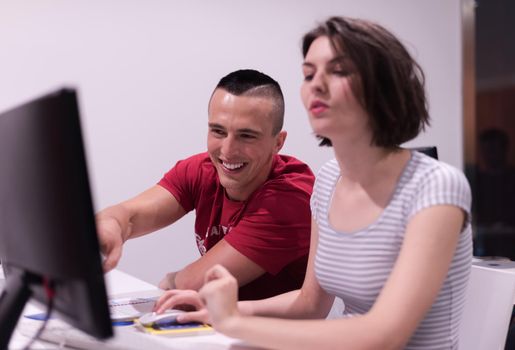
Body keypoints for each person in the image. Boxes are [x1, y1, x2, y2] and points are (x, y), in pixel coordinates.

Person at [154, 17, 473, 349]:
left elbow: (385, 335)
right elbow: (310, 304)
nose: (316, 84)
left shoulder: (436, 186)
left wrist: (234, 322)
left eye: (338, 71)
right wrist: (218, 310)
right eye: (309, 74)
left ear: (384, 87)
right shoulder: (329, 179)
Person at [96, 69, 315, 300]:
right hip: (215, 327)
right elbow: (127, 217)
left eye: (246, 136)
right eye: (218, 131)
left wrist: (174, 279)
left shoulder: (291, 197)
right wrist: (110, 227)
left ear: (278, 142)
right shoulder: (201, 170)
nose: (228, 151)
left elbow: (192, 283)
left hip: (271, 335)